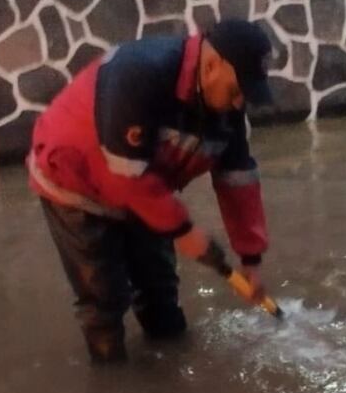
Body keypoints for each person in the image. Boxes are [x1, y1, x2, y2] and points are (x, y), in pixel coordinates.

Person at [28, 20, 273, 362]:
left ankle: (172, 376)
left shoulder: (226, 107)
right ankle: (112, 390)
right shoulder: (140, 72)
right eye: (235, 91)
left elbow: (237, 178)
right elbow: (125, 176)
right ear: (212, 63)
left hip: (144, 184)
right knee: (105, 298)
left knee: (160, 288)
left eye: (243, 95)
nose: (237, 104)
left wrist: (251, 259)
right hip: (75, 183)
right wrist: (183, 230)